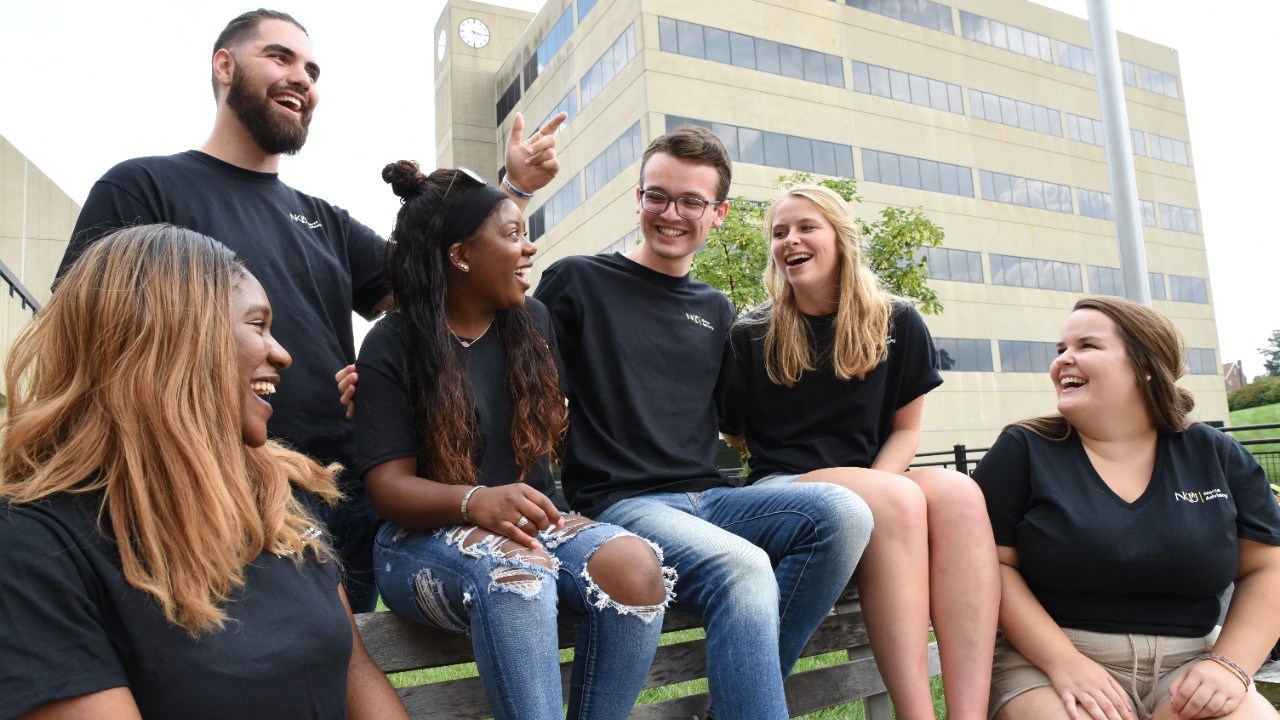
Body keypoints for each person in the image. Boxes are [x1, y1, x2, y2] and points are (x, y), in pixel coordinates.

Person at [54, 9, 566, 612]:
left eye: (313, 69)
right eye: (280, 57)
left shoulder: (323, 219)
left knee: (341, 675)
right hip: (220, 487)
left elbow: (450, 278)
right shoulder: (144, 186)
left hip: (346, 488)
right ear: (224, 66)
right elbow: (83, 333)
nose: (303, 78)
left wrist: (512, 192)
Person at [533, 125, 874, 720]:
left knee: (844, 513)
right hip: (625, 505)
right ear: (637, 199)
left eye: (692, 201)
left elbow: (750, 416)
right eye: (658, 196)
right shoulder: (578, 282)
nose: (672, 213)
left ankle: (736, 704)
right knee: (742, 570)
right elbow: (516, 378)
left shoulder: (716, 311)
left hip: (711, 501)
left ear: (717, 215)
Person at [0, 225, 407, 720]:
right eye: (258, 325)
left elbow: (354, 672)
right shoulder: (36, 547)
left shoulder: (278, 499)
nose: (282, 354)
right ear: (173, 340)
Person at [354, 162, 672, 720]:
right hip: (416, 541)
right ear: (460, 255)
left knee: (636, 567)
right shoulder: (392, 343)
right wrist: (476, 499)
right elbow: (387, 487)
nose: (528, 249)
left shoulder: (534, 324)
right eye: (511, 234)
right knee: (519, 577)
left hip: (529, 530)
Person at [715, 183, 999, 720]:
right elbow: (733, 432)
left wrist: (881, 486)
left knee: (960, 493)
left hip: (876, 479)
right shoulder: (753, 332)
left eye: (805, 227)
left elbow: (906, 431)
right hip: (789, 488)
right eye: (779, 232)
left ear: (840, 239)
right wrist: (882, 493)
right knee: (896, 500)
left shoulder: (896, 321)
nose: (789, 241)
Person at [973, 296, 1280, 720]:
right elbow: (993, 568)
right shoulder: (1023, 450)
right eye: (1061, 350)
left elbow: (1269, 567)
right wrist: (1065, 662)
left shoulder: (1215, 454)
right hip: (1047, 665)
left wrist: (1229, 667)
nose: (1064, 360)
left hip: (1190, 664)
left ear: (1146, 365)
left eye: (1087, 346)